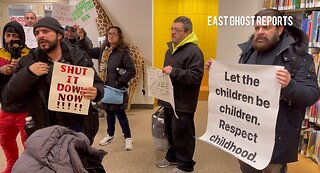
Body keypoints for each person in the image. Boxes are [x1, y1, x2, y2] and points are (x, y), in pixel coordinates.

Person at [205, 9, 320, 173]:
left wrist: (289, 85)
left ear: (280, 29)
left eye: (266, 27)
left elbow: (311, 95)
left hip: (275, 141)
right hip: (246, 137)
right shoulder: (248, 53)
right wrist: (218, 73)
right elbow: (239, 87)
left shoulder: (298, 57)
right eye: (257, 27)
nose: (260, 32)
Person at [4, 17, 104, 139]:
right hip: (44, 126)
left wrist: (96, 92)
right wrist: (29, 73)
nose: (40, 35)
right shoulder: (29, 61)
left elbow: (98, 83)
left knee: (78, 157)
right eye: (37, 33)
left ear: (59, 35)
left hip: (77, 125)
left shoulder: (78, 57)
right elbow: (10, 95)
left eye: (45, 31)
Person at [156, 16, 204, 173]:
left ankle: (185, 165)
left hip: (183, 103)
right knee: (170, 132)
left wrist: (174, 72)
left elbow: (196, 76)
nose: (173, 32)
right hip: (169, 101)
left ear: (188, 32)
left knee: (183, 134)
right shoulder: (171, 49)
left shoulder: (194, 51)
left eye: (177, 30)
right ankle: (173, 156)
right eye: (172, 29)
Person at [97, 26, 136, 151]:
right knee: (109, 113)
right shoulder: (104, 51)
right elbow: (86, 49)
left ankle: (128, 138)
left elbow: (132, 71)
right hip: (106, 88)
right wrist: (81, 37)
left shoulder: (123, 52)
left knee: (120, 115)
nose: (111, 36)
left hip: (117, 89)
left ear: (119, 37)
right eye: (109, 33)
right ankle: (110, 135)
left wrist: (120, 82)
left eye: (114, 34)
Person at [0, 21, 30, 173]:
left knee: (28, 144)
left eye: (15, 36)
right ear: (3, 37)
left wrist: (21, 68)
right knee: (5, 141)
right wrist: (1, 71)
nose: (11, 39)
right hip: (5, 109)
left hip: (25, 110)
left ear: (21, 37)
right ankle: (12, 165)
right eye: (8, 35)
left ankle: (27, 168)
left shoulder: (31, 54)